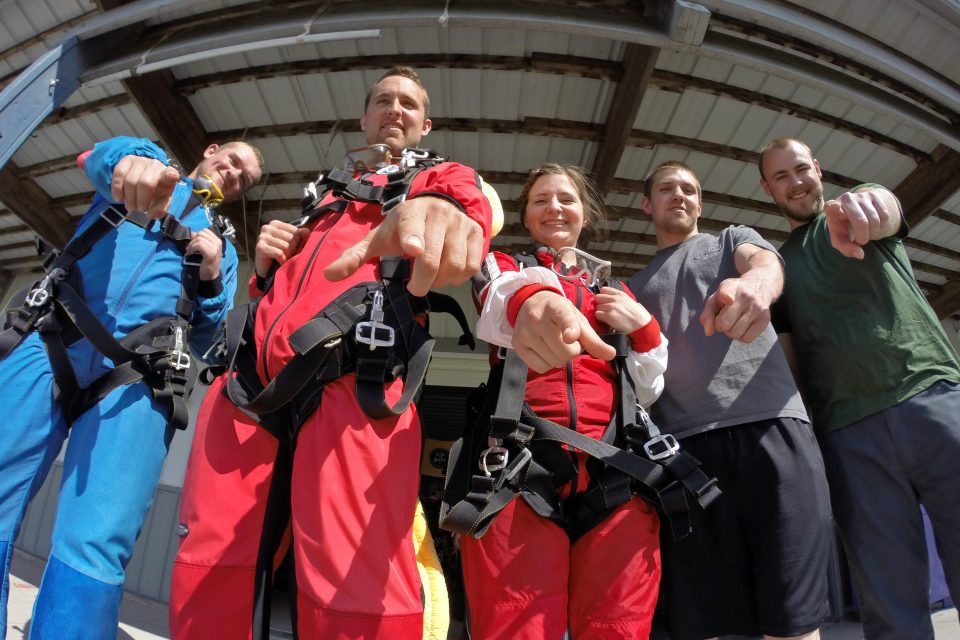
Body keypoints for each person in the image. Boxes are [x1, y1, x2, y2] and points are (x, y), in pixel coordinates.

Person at [168, 66, 493, 639]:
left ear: (425, 124)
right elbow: (281, 293)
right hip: (249, 381)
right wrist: (267, 263)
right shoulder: (323, 194)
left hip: (358, 375)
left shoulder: (436, 178)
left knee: (356, 576)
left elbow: (466, 203)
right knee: (213, 560)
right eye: (384, 101)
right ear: (365, 117)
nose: (395, 110)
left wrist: (449, 211)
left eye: (408, 104)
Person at [0, 136, 263, 639]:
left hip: (140, 377)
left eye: (243, 178)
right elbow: (95, 160)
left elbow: (207, 339)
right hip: (54, 336)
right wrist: (130, 162)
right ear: (208, 150)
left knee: (97, 538)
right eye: (231, 160)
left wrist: (209, 277)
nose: (232, 173)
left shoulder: (224, 251)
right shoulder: (147, 165)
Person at [453, 163, 668, 639]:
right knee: (515, 622)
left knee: (618, 626)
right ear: (525, 218)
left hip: (616, 469)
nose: (555, 207)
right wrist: (535, 294)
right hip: (520, 466)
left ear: (584, 214)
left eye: (567, 199)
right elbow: (495, 300)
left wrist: (645, 329)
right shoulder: (504, 268)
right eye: (541, 200)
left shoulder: (618, 293)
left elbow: (648, 390)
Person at [759, 136, 960, 640]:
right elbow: (790, 360)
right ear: (767, 189)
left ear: (819, 168)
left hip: (932, 396)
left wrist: (874, 207)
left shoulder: (851, 210)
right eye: (780, 176)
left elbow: (884, 208)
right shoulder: (777, 266)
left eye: (801, 169)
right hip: (847, 433)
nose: (795, 182)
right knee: (888, 599)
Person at [628, 160, 831, 640]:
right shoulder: (631, 288)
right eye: (666, 188)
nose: (679, 196)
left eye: (689, 190)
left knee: (793, 618)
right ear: (646, 204)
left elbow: (764, 264)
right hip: (686, 454)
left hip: (773, 430)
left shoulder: (730, 240)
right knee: (711, 619)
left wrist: (755, 287)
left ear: (700, 202)